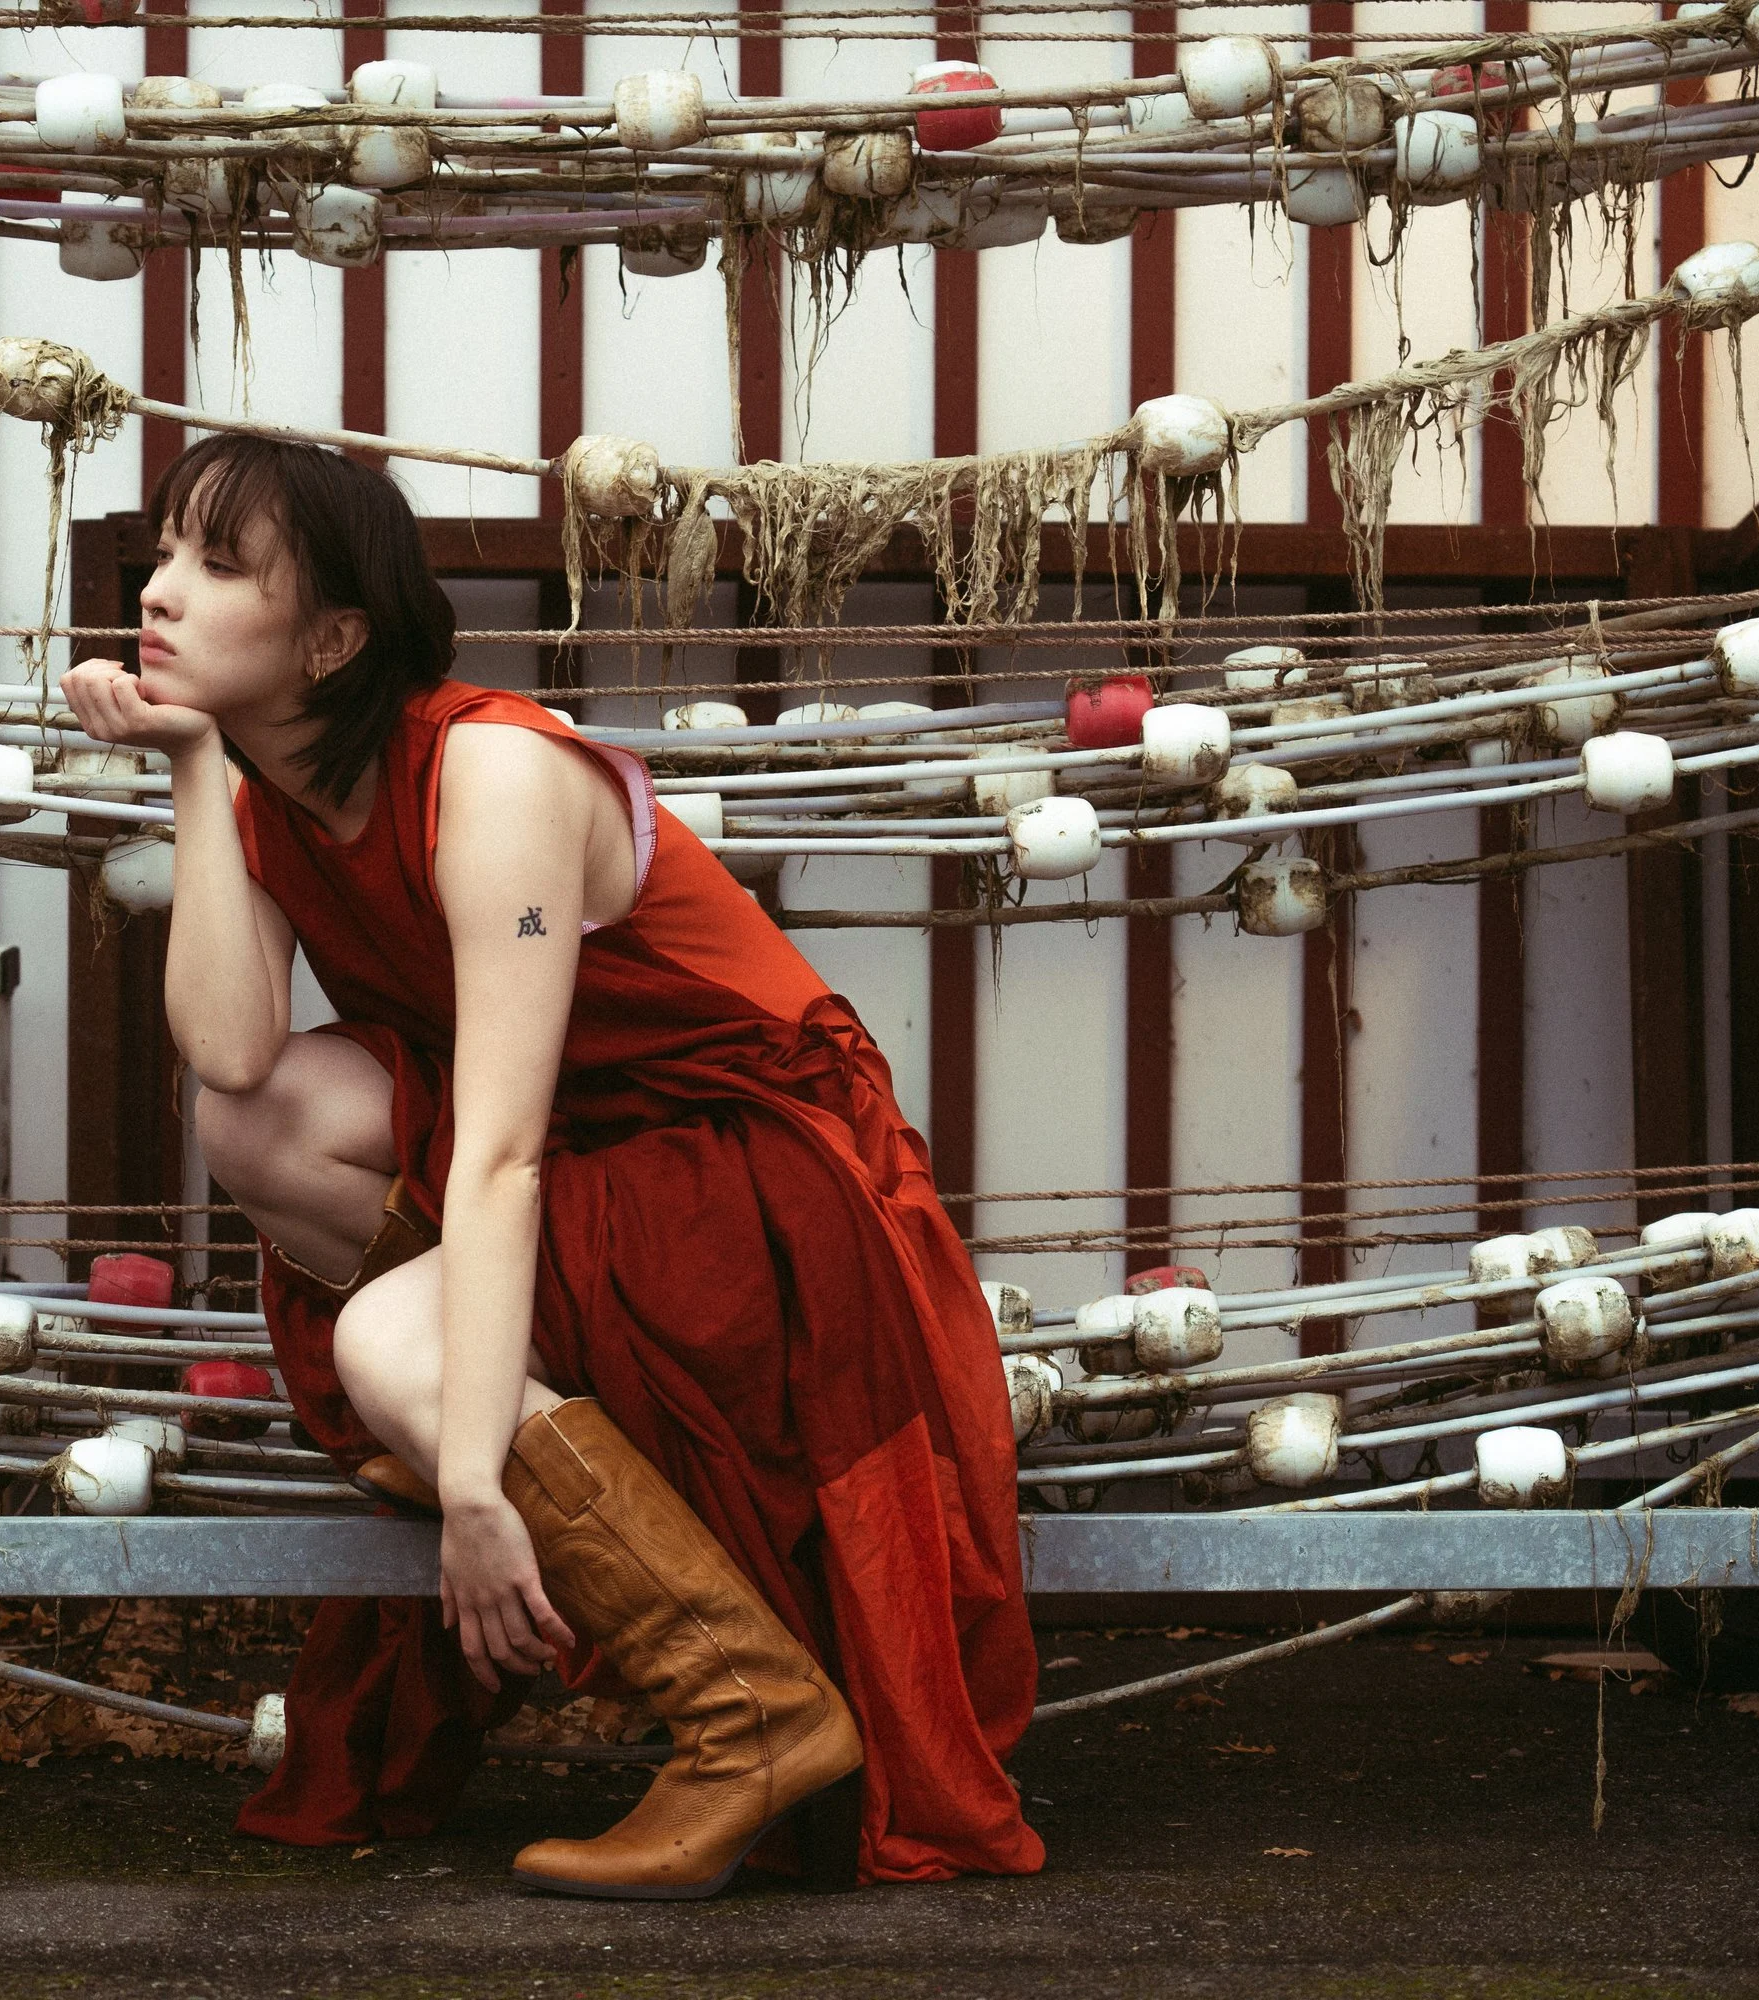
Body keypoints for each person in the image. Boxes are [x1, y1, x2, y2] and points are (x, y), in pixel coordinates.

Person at [59, 433, 1044, 1898]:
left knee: (395, 1334)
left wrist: (466, 1487)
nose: (162, 592)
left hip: (754, 1162)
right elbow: (231, 1056)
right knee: (253, 1123)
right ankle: (538, 1427)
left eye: (220, 564)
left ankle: (741, 1714)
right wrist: (198, 771)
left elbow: (505, 1153)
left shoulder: (494, 773)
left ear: (332, 641)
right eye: (163, 556)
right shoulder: (275, 796)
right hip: (594, 1152)